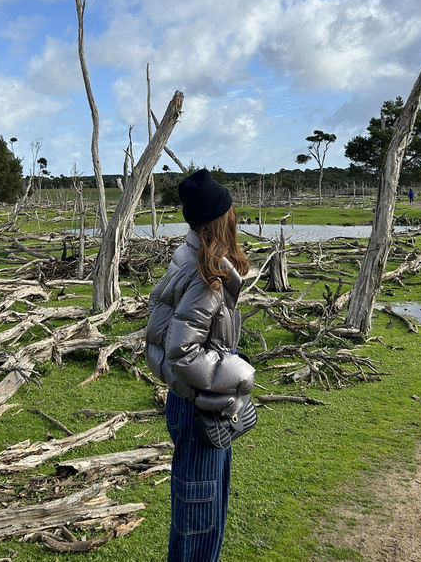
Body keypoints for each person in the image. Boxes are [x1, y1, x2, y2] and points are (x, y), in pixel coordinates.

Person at [146, 168, 255, 562]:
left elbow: (167, 341)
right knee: (199, 529)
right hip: (200, 411)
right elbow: (181, 353)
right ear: (221, 218)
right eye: (231, 212)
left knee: (199, 519)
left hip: (195, 405)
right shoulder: (205, 276)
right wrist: (237, 375)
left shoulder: (192, 257)